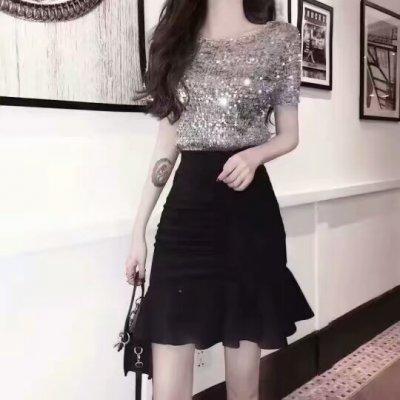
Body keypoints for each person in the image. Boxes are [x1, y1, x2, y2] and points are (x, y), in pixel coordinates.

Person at [126, 0, 314, 398]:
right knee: (167, 384)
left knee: (244, 383)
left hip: (248, 218)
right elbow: (166, 144)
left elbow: (289, 135)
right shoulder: (174, 43)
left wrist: (255, 155)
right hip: (185, 219)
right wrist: (138, 229)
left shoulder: (279, 40)